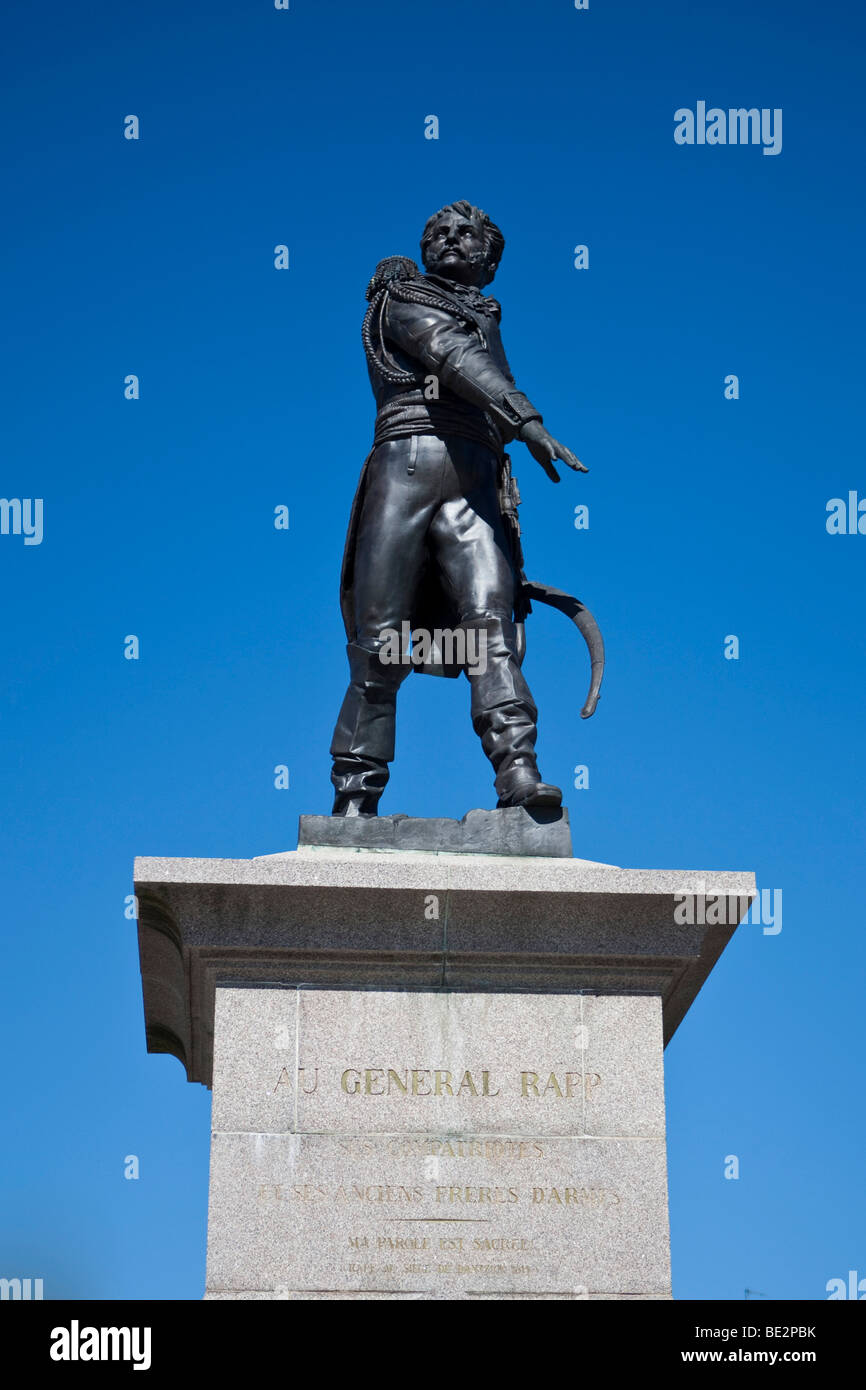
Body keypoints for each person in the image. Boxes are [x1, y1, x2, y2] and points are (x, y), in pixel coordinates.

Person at [330, 200, 586, 816]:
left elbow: (472, 364)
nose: (448, 239)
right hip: (408, 464)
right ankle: (354, 797)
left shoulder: (484, 313)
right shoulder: (405, 295)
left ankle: (519, 777)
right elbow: (450, 355)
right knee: (380, 642)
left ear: (489, 260)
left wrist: (507, 436)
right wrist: (524, 418)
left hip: (476, 478)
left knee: (490, 630)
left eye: (465, 233)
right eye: (437, 232)